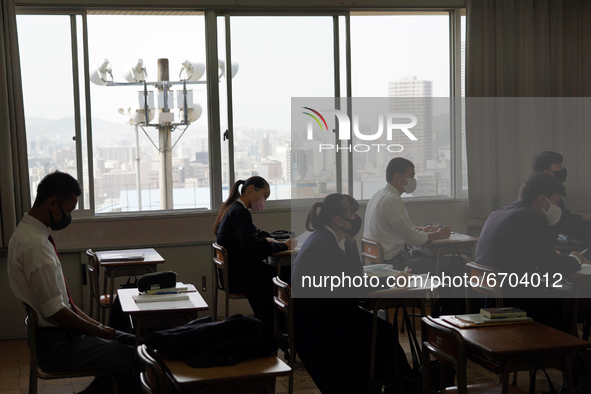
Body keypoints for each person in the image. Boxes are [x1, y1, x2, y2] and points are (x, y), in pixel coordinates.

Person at [7, 171, 137, 394]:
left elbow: (65, 305)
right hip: (57, 346)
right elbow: (55, 311)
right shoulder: (33, 245)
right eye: (67, 210)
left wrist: (99, 327)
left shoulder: (30, 235)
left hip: (58, 337)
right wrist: (97, 331)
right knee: (135, 358)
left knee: (139, 343)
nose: (68, 217)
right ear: (52, 203)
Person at [291, 193, 411, 394]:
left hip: (318, 318)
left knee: (382, 331)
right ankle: (403, 386)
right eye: (353, 214)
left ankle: (397, 384)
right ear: (339, 220)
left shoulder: (324, 238)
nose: (356, 218)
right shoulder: (326, 245)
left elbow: (355, 275)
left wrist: (351, 241)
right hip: (322, 326)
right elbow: (355, 285)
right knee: (384, 334)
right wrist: (392, 280)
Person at [475, 172, 591, 331]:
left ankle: (565, 352)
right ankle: (566, 352)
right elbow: (552, 267)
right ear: (542, 199)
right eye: (556, 202)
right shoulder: (533, 218)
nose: (557, 209)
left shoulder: (497, 213)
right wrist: (576, 259)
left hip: (489, 299)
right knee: (577, 302)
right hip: (518, 302)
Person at [213, 176, 294, 329]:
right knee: (287, 272)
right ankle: (282, 327)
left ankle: (279, 326)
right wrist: (283, 246)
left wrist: (267, 238)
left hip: (235, 273)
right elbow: (254, 249)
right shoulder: (241, 213)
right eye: (264, 195)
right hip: (243, 276)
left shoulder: (233, 209)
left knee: (283, 271)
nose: (264, 201)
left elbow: (253, 233)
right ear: (252, 189)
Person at [364, 157, 454, 275]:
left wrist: (420, 229)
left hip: (380, 263)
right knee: (455, 262)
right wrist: (438, 234)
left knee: (433, 258)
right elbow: (412, 239)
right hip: (396, 265)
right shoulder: (392, 200)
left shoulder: (378, 196)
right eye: (411, 175)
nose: (413, 180)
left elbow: (391, 227)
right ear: (397, 177)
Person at [532, 151, 591, 245]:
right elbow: (563, 220)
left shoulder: (548, 188)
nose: (562, 169)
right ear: (545, 171)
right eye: (558, 166)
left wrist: (581, 217)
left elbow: (563, 215)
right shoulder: (545, 194)